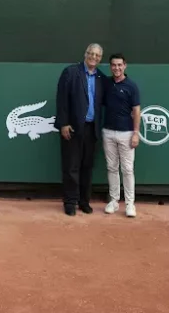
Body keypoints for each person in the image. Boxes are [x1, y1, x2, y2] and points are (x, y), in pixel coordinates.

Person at [54, 43, 106, 216]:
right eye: (91, 53)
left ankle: (84, 201)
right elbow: (62, 100)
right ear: (85, 54)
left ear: (100, 59)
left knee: (87, 167)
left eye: (97, 55)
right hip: (73, 128)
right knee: (71, 166)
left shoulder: (101, 77)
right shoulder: (70, 72)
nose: (94, 57)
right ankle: (70, 202)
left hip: (92, 130)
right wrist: (63, 123)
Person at [102, 53, 141, 218]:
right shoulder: (106, 84)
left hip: (126, 133)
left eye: (119, 65)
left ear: (125, 66)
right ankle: (114, 201)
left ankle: (130, 204)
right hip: (108, 132)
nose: (116, 68)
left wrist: (136, 133)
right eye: (113, 65)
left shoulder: (132, 86)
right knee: (112, 168)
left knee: (127, 169)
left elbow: (137, 111)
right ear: (110, 67)